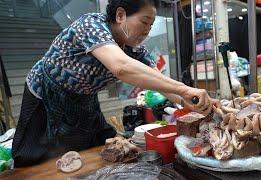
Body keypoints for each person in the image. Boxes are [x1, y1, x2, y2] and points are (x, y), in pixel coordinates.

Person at [12, 0, 219, 167]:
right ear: (120, 15)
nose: (147, 30)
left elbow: (162, 83)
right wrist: (185, 89)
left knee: (97, 151)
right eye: (144, 21)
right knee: (34, 158)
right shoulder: (91, 24)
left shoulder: (135, 50)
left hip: (83, 99)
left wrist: (194, 101)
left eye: (151, 25)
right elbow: (120, 66)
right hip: (46, 93)